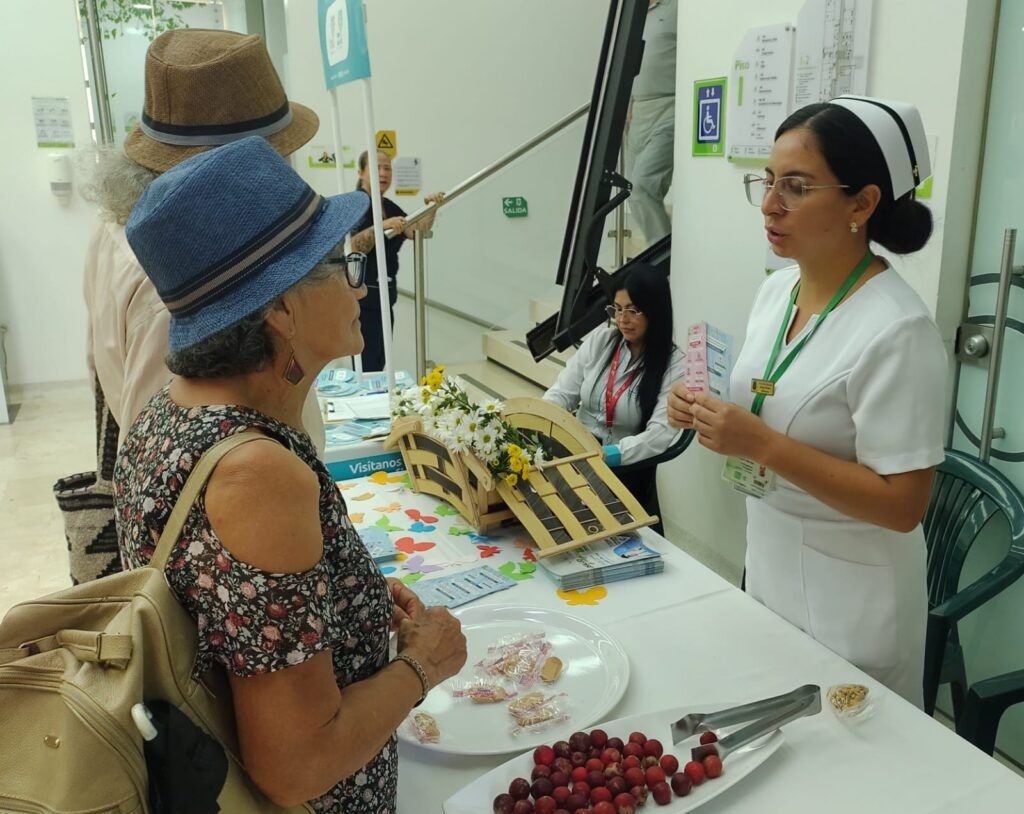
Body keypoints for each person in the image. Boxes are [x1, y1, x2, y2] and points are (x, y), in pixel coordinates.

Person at [115, 136, 467, 812]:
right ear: (278, 309)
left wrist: (347, 597)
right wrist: (424, 665)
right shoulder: (257, 473)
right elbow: (297, 763)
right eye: (340, 264)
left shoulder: (169, 412)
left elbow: (228, 617)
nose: (358, 283)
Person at [668, 96, 946, 706]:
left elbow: (903, 505)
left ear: (862, 203)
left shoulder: (897, 332)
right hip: (768, 562)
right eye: (767, 182)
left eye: (795, 186)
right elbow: (771, 400)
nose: (770, 204)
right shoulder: (777, 292)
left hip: (854, 598)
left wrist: (763, 445)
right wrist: (698, 407)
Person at [82, 29, 326, 454]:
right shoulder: (182, 282)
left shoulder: (116, 226)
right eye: (272, 159)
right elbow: (176, 455)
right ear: (226, 173)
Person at [544, 265, 684, 511]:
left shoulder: (675, 365)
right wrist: (540, 421)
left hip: (623, 469)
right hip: (575, 454)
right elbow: (562, 392)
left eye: (632, 310)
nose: (622, 320)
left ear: (655, 311)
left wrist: (607, 455)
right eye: (617, 309)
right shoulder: (602, 341)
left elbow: (659, 436)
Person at [348, 150, 445, 371]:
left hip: (386, 298)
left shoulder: (388, 206)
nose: (383, 173)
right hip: (362, 300)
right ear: (361, 173)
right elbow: (352, 247)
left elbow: (415, 231)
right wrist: (381, 226)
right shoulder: (355, 204)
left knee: (381, 363)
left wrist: (431, 208)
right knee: (366, 366)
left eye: (387, 168)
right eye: (376, 167)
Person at [624, 0, 677, 245]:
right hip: (639, 111)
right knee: (631, 190)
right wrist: (629, 103)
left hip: (671, 106)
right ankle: (660, 249)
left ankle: (663, 261)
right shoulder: (632, 15)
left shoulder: (678, 8)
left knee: (642, 185)